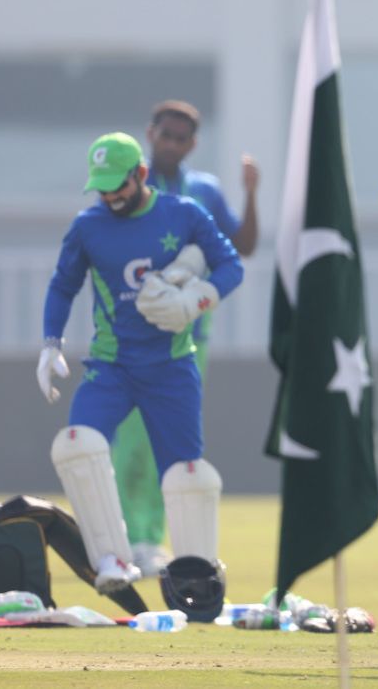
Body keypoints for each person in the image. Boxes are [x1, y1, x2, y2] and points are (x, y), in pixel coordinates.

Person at [35, 132, 243, 594]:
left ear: (141, 175)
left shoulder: (184, 213)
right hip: (111, 366)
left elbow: (230, 264)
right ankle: (111, 560)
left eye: (118, 185)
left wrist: (196, 300)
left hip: (171, 366)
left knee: (185, 473)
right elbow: (62, 285)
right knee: (77, 444)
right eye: (102, 186)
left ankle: (196, 578)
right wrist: (51, 343)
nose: (110, 195)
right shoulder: (89, 225)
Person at [109, 100, 261, 576]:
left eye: (181, 138)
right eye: (165, 135)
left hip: (190, 335)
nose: (172, 144)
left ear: (193, 144)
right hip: (134, 335)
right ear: (150, 134)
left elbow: (244, 247)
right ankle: (129, 537)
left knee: (171, 436)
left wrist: (250, 193)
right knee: (128, 439)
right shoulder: (131, 186)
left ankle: (154, 542)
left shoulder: (204, 191)